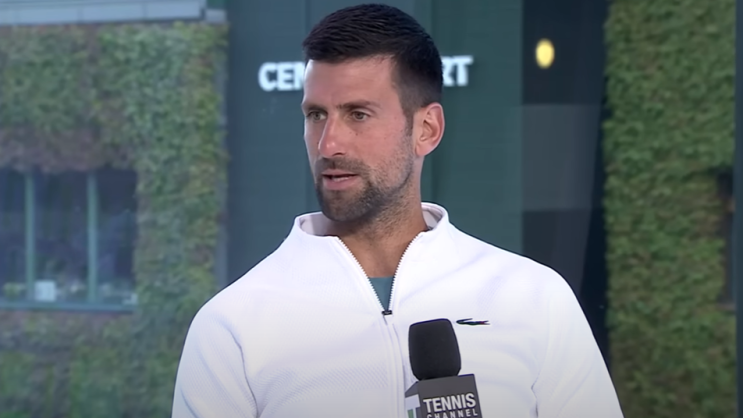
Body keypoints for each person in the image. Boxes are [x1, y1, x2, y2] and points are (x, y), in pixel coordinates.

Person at [171, 4, 624, 418]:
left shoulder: (535, 299)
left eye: (358, 114)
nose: (329, 144)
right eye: (315, 115)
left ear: (426, 129)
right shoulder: (232, 326)